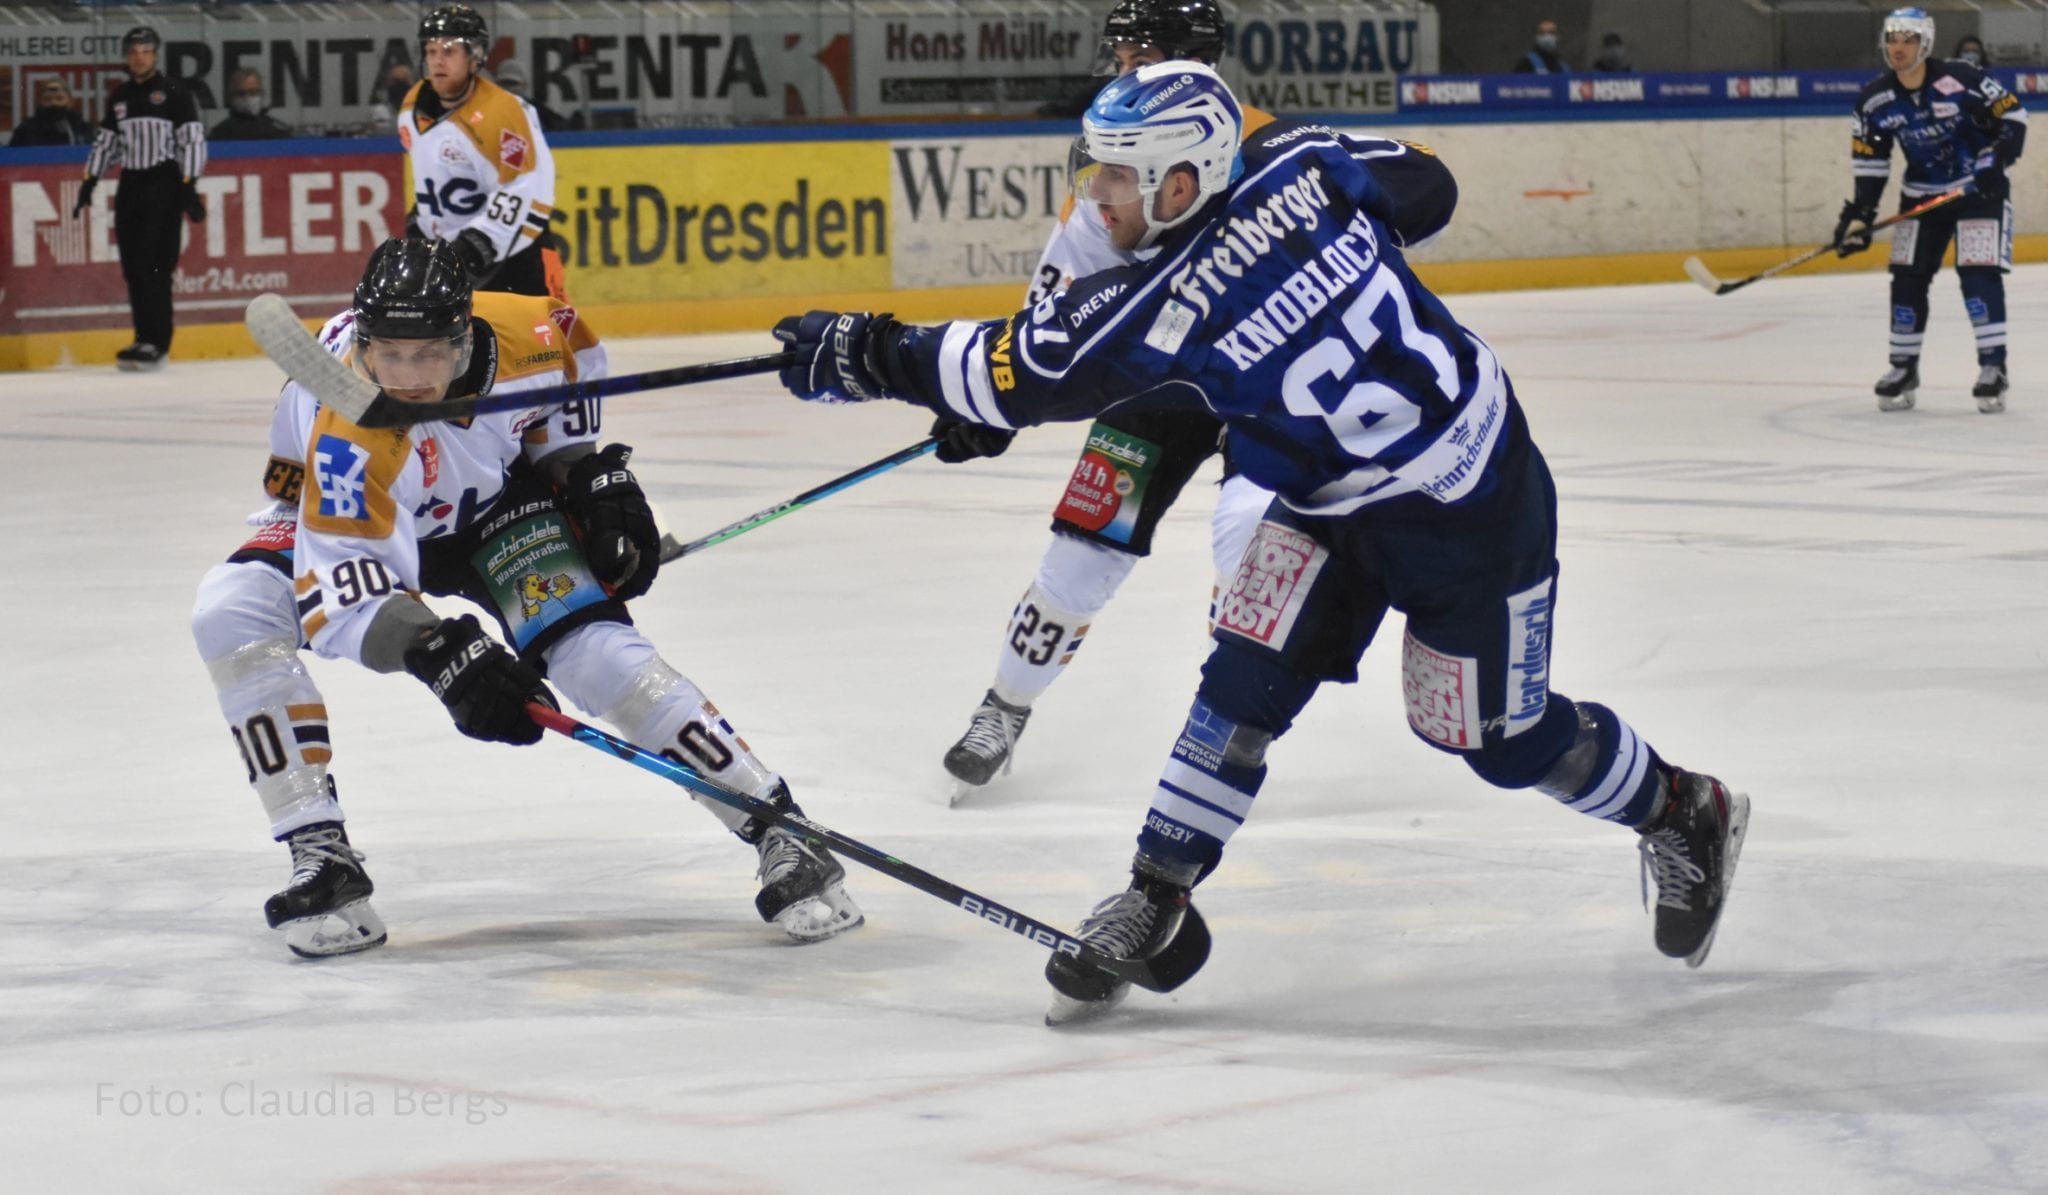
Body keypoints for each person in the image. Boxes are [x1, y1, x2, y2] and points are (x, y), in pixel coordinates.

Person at [772, 62, 1750, 1023]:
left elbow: (1014, 373)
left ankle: (1679, 810)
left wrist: (858, 352)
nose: (1093, 191)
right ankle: (1156, 896)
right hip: (1330, 495)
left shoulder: (1167, 310)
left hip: (1470, 510)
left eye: (1115, 174)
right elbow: (1428, 184)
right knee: (1240, 677)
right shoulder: (1303, 158)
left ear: (1180, 182)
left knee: (1485, 736)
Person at [191, 238, 863, 957]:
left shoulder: (538, 332)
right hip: (343, 515)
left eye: (428, 356)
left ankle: (778, 825)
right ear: (361, 341)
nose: (410, 378)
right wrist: (437, 650)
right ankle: (319, 851)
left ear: (464, 334)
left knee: (595, 653)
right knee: (231, 609)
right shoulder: (346, 439)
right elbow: (347, 593)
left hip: (491, 512)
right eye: (390, 355)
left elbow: (559, 423)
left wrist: (592, 481)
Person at [934, 0, 1456, 803]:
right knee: (1080, 554)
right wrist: (996, 400)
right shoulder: (1112, 158)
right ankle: (1005, 705)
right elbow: (1052, 309)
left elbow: (1420, 174)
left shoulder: (1277, 145)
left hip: (1270, 385)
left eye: (1135, 49)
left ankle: (1226, 723)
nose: (1120, 65)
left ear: (1188, 59)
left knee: (1250, 542)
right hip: (1158, 387)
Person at [1834, 7, 2026, 413]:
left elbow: (2013, 115)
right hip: (1921, 197)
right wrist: (1861, 214)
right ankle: (1903, 366)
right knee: (1906, 277)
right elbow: (1871, 161)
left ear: (1925, 43)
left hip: (1977, 192)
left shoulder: (1963, 79)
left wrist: (1994, 159)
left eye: (1908, 40)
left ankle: (1993, 367)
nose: (1898, 48)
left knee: (1977, 274)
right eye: (1892, 40)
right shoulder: (1874, 100)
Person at [399, 5, 565, 299]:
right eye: (432, 50)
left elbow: (526, 189)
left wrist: (475, 247)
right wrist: (420, 224)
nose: (438, 60)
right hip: (451, 259)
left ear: (475, 56)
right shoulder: (413, 107)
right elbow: (434, 178)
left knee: (556, 340)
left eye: (449, 51)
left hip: (518, 258)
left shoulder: (504, 112)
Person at [74, 26, 207, 370]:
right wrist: (89, 181)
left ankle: (158, 341)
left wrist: (189, 184)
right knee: (133, 266)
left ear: (156, 54)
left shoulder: (174, 91)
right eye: (133, 51)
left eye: (146, 51)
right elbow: (107, 142)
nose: (139, 57)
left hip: (164, 182)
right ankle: (142, 336)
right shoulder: (120, 97)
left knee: (156, 265)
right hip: (131, 184)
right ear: (126, 56)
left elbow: (191, 140)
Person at [210, 69, 293, 141]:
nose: (248, 97)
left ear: (262, 94)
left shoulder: (277, 130)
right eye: (241, 93)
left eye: (253, 92)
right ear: (232, 96)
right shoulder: (221, 133)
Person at [9, 76, 92, 147]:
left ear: (70, 102)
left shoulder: (81, 128)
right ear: (40, 102)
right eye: (47, 99)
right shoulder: (26, 129)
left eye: (59, 98)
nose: (53, 102)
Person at [492, 60, 570, 134]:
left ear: (525, 86)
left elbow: (561, 129)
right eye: (504, 84)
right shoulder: (486, 109)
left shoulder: (537, 110)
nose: (508, 89)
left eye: (513, 84)